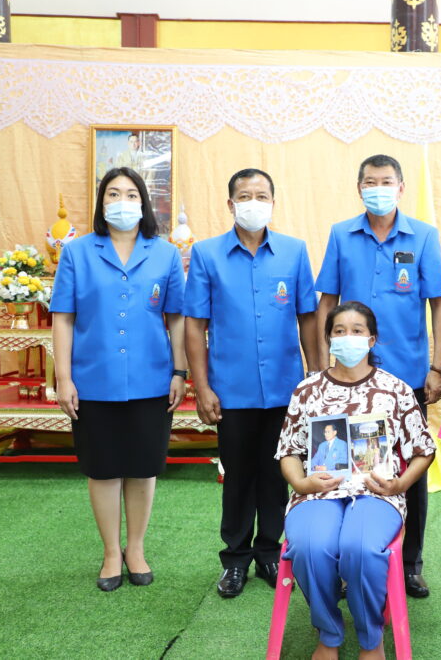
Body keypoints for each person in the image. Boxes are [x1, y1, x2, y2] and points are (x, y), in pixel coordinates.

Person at [315, 153, 441, 598]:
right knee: (348, 467)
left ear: (401, 187)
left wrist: (437, 366)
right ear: (359, 188)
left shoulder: (423, 236)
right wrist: (321, 364)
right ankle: (346, 561)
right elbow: (326, 300)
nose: (378, 189)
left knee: (410, 467)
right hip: (349, 376)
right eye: (370, 182)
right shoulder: (341, 234)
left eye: (386, 181)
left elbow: (439, 304)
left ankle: (410, 563)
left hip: (407, 374)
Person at [184, 168, 320, 598]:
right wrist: (202, 387)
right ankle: (235, 559)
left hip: (285, 389)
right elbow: (195, 325)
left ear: (273, 203)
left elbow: (308, 318)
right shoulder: (207, 254)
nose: (253, 203)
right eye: (245, 196)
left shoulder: (294, 252)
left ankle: (270, 553)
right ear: (230, 204)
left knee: (278, 474)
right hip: (231, 390)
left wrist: (316, 380)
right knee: (239, 476)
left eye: (262, 195)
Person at [51, 166, 187, 592]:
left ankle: (136, 549)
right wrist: (63, 378)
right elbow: (63, 318)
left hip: (152, 379)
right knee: (104, 469)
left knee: (143, 468)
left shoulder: (165, 254)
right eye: (113, 193)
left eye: (131, 194)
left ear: (143, 203)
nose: (122, 201)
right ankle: (111, 552)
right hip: (94, 380)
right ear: (101, 202)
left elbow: (177, 318)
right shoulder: (77, 253)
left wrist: (180, 371)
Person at [276, 301, 436, 660]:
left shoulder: (395, 389)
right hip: (317, 493)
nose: (348, 337)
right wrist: (301, 484)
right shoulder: (307, 390)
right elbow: (288, 451)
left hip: (377, 494)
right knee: (311, 546)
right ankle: (329, 634)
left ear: (372, 339)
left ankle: (370, 638)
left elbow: (424, 450)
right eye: (339, 331)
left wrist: (400, 485)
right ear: (329, 339)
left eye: (357, 330)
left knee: (361, 547)